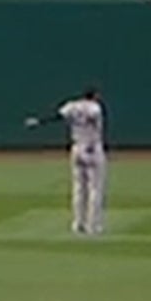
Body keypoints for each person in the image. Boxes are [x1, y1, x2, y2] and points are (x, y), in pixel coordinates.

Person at [23, 86, 107, 236]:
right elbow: (94, 123)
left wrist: (39, 121)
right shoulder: (95, 108)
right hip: (92, 149)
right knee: (95, 188)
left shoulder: (72, 106)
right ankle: (93, 225)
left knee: (78, 188)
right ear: (94, 96)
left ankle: (77, 223)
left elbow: (57, 117)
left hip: (76, 148)